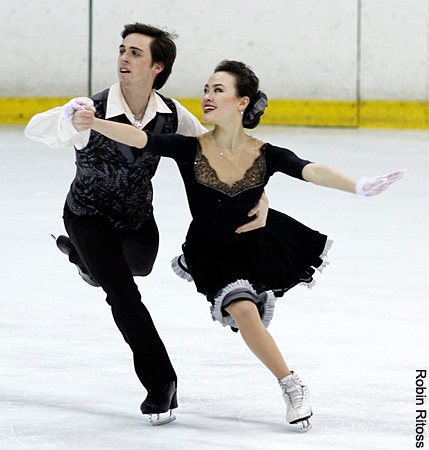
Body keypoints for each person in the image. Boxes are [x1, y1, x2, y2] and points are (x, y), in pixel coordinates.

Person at [79, 59, 405, 432]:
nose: (207, 96)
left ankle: (286, 375)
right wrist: (95, 123)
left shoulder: (266, 153)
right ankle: (291, 384)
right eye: (205, 89)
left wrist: (358, 186)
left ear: (242, 102)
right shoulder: (189, 148)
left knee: (248, 311)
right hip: (209, 252)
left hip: (257, 244)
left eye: (218, 89)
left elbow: (310, 170)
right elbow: (142, 138)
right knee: (244, 312)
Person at [24, 24, 269, 426]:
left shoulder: (172, 116)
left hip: (137, 220)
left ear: (158, 66)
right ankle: (161, 384)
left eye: (136, 53)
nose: (124, 57)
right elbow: (35, 129)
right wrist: (68, 117)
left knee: (135, 266)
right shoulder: (93, 108)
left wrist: (257, 193)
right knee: (122, 292)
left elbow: (216, 155)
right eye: (122, 50)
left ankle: (82, 261)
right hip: (87, 215)